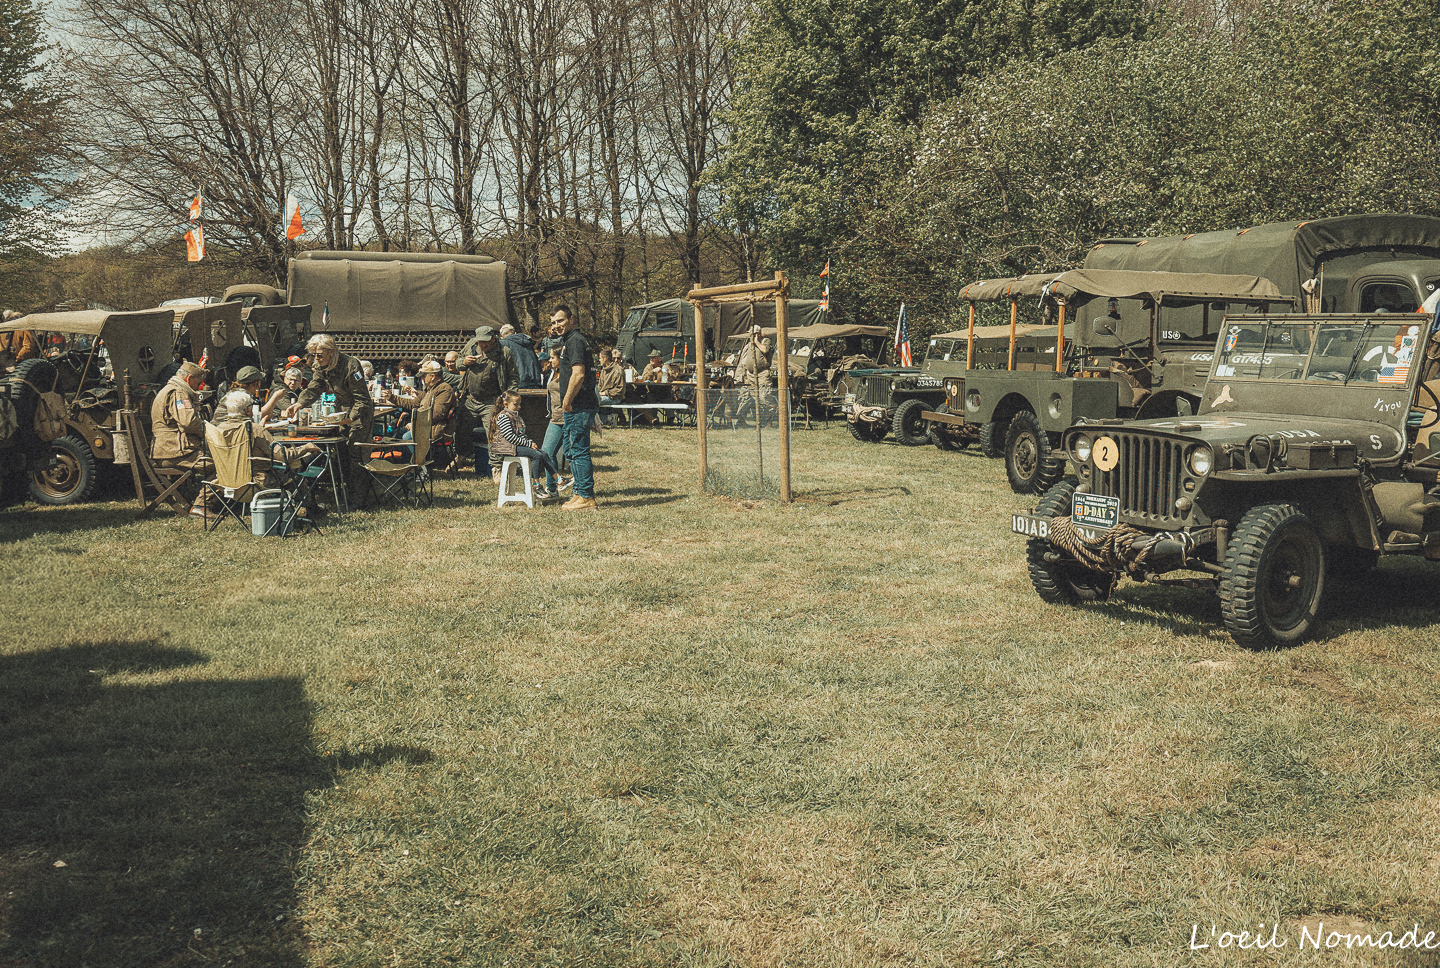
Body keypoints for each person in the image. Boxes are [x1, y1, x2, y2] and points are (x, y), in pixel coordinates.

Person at [285, 334, 374, 490]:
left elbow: (363, 400)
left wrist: (351, 419)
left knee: (356, 453)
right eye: (313, 355)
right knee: (340, 452)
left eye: (319, 355)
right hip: (340, 412)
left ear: (331, 352)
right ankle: (344, 492)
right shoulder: (320, 366)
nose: (316, 359)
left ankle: (360, 498)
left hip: (359, 414)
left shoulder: (351, 366)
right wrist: (299, 403)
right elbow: (314, 387)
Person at [214, 390, 320, 485]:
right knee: (295, 470)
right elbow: (283, 455)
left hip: (226, 481)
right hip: (255, 482)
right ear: (247, 410)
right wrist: (306, 447)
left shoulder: (218, 429)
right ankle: (304, 505)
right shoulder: (254, 429)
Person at [150, 359, 212, 518]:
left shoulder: (171, 389)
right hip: (175, 453)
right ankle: (200, 505)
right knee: (222, 466)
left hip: (170, 451)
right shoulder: (178, 392)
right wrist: (208, 432)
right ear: (189, 379)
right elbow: (189, 422)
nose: (199, 387)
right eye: (198, 384)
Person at [553, 304, 599, 510]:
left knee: (579, 450)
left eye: (560, 321)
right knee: (571, 450)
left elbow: (578, 374)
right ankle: (579, 492)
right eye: (553, 322)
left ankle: (587, 496)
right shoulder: (568, 341)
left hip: (578, 406)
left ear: (571, 319)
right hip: (575, 406)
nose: (556, 326)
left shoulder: (576, 341)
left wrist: (567, 401)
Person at [459, 325, 519, 481]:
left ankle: (496, 467)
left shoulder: (504, 353)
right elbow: (457, 362)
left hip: (491, 400)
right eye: (480, 343)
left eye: (486, 342)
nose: (483, 345)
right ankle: (460, 457)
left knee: (494, 433)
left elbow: (513, 376)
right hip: (470, 398)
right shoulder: (471, 346)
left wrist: (508, 396)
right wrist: (464, 362)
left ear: (494, 338)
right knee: (461, 427)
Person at [488, 390, 563, 499]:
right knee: (536, 455)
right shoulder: (503, 417)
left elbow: (521, 434)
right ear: (505, 404)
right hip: (507, 448)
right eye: (515, 404)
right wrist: (528, 444)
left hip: (514, 446)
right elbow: (510, 437)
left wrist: (531, 443)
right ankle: (536, 485)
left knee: (543, 453)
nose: (519, 407)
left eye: (519, 404)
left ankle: (559, 480)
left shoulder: (515, 416)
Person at [387, 359, 455, 443]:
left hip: (436, 429)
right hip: (425, 425)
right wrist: (391, 397)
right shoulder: (429, 389)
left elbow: (436, 414)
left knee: (406, 437)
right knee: (393, 435)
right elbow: (413, 403)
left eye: (424, 375)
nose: (422, 378)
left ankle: (420, 456)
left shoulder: (444, 390)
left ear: (433, 377)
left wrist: (415, 424)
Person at [539, 339, 572, 497]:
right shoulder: (552, 372)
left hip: (566, 418)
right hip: (554, 418)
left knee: (571, 454)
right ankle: (552, 487)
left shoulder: (568, 373)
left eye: (552, 357)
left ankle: (578, 489)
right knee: (546, 452)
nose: (550, 360)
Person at [733, 325, 773, 423]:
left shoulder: (765, 341)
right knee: (746, 397)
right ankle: (741, 420)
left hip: (762, 374)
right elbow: (742, 361)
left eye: (752, 334)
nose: (750, 336)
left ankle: (767, 421)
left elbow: (765, 350)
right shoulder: (748, 345)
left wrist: (756, 342)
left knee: (764, 397)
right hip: (749, 376)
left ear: (757, 335)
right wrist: (739, 376)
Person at [500, 322, 543, 389]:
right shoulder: (527, 341)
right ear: (515, 333)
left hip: (517, 383)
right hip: (535, 380)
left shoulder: (503, 343)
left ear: (502, 337)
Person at [596, 346, 627, 426]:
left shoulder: (618, 370)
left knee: (594, 401)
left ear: (605, 358)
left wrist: (605, 393)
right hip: (604, 396)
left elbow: (620, 390)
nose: (599, 360)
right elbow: (600, 385)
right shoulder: (604, 369)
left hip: (615, 398)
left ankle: (606, 419)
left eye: (600, 358)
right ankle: (606, 419)